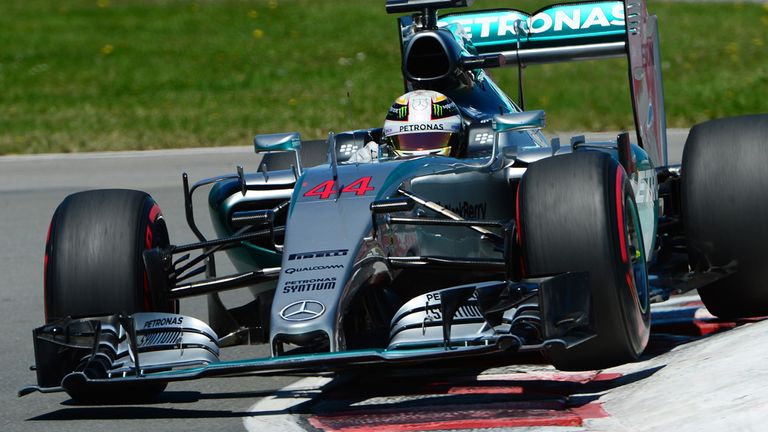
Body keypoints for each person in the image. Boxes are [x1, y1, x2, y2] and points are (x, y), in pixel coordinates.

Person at [348, 90, 463, 163]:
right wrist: (359, 167)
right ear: (389, 141)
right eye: (410, 141)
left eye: (433, 139)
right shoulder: (371, 157)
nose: (420, 151)